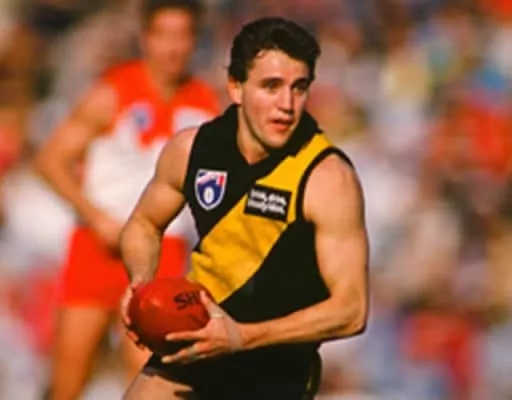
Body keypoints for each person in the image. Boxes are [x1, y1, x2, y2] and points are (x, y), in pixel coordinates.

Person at [120, 17, 369, 399]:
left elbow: (352, 310)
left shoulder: (328, 178)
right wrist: (141, 284)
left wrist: (241, 336)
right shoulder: (191, 150)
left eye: (299, 87)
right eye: (271, 86)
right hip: (198, 344)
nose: (287, 105)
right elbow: (143, 224)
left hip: (277, 368)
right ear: (235, 87)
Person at [33, 1, 219, 399]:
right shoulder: (113, 92)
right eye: (163, 35)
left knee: (152, 379)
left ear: (194, 40)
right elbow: (50, 160)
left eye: (182, 36)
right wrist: (94, 216)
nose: (173, 47)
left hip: (163, 251)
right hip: (98, 245)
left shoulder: (205, 103)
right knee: (68, 380)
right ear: (145, 38)